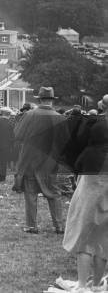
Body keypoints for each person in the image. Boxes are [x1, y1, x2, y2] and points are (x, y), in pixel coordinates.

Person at [62, 99, 108, 291]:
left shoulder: (90, 149)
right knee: (104, 239)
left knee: (84, 237)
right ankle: (97, 284)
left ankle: (82, 284)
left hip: (91, 188)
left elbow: (71, 153)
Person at [15, 86, 67, 234]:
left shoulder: (29, 115)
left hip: (30, 159)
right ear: (52, 100)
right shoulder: (60, 117)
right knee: (54, 193)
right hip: (51, 161)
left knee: (30, 194)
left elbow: (17, 135)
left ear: (40, 99)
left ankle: (32, 226)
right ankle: (59, 226)